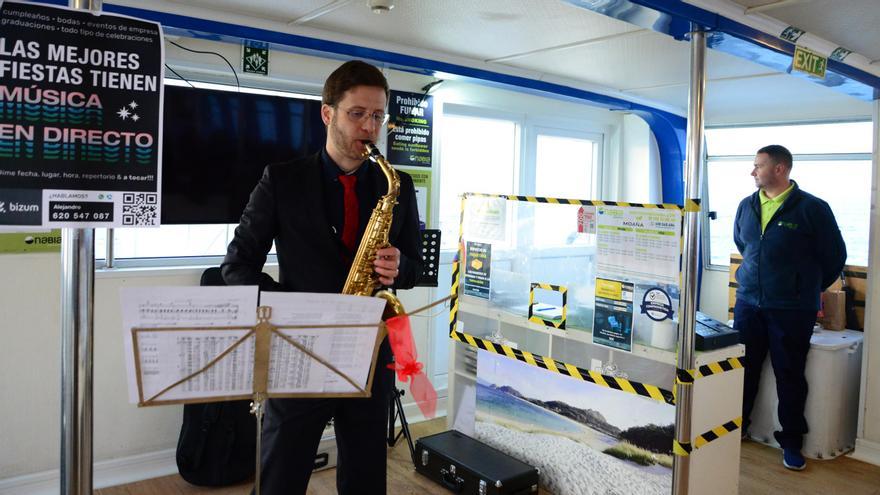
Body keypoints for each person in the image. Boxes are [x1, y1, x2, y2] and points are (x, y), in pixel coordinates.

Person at [221, 60, 424, 494]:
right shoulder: (281, 180)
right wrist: (290, 309)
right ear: (327, 113)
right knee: (281, 474)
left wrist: (399, 266)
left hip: (370, 351)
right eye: (357, 114)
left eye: (377, 116)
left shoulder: (398, 185)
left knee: (367, 476)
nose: (369, 127)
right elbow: (236, 265)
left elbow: (414, 268)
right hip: (300, 346)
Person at [733, 144, 846, 471]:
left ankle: (792, 443)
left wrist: (803, 287)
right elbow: (744, 245)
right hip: (748, 304)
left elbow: (834, 257)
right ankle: (737, 427)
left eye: (758, 166)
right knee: (744, 369)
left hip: (792, 309)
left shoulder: (813, 209)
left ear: (780, 169)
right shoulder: (747, 205)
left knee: (790, 375)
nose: (753, 172)